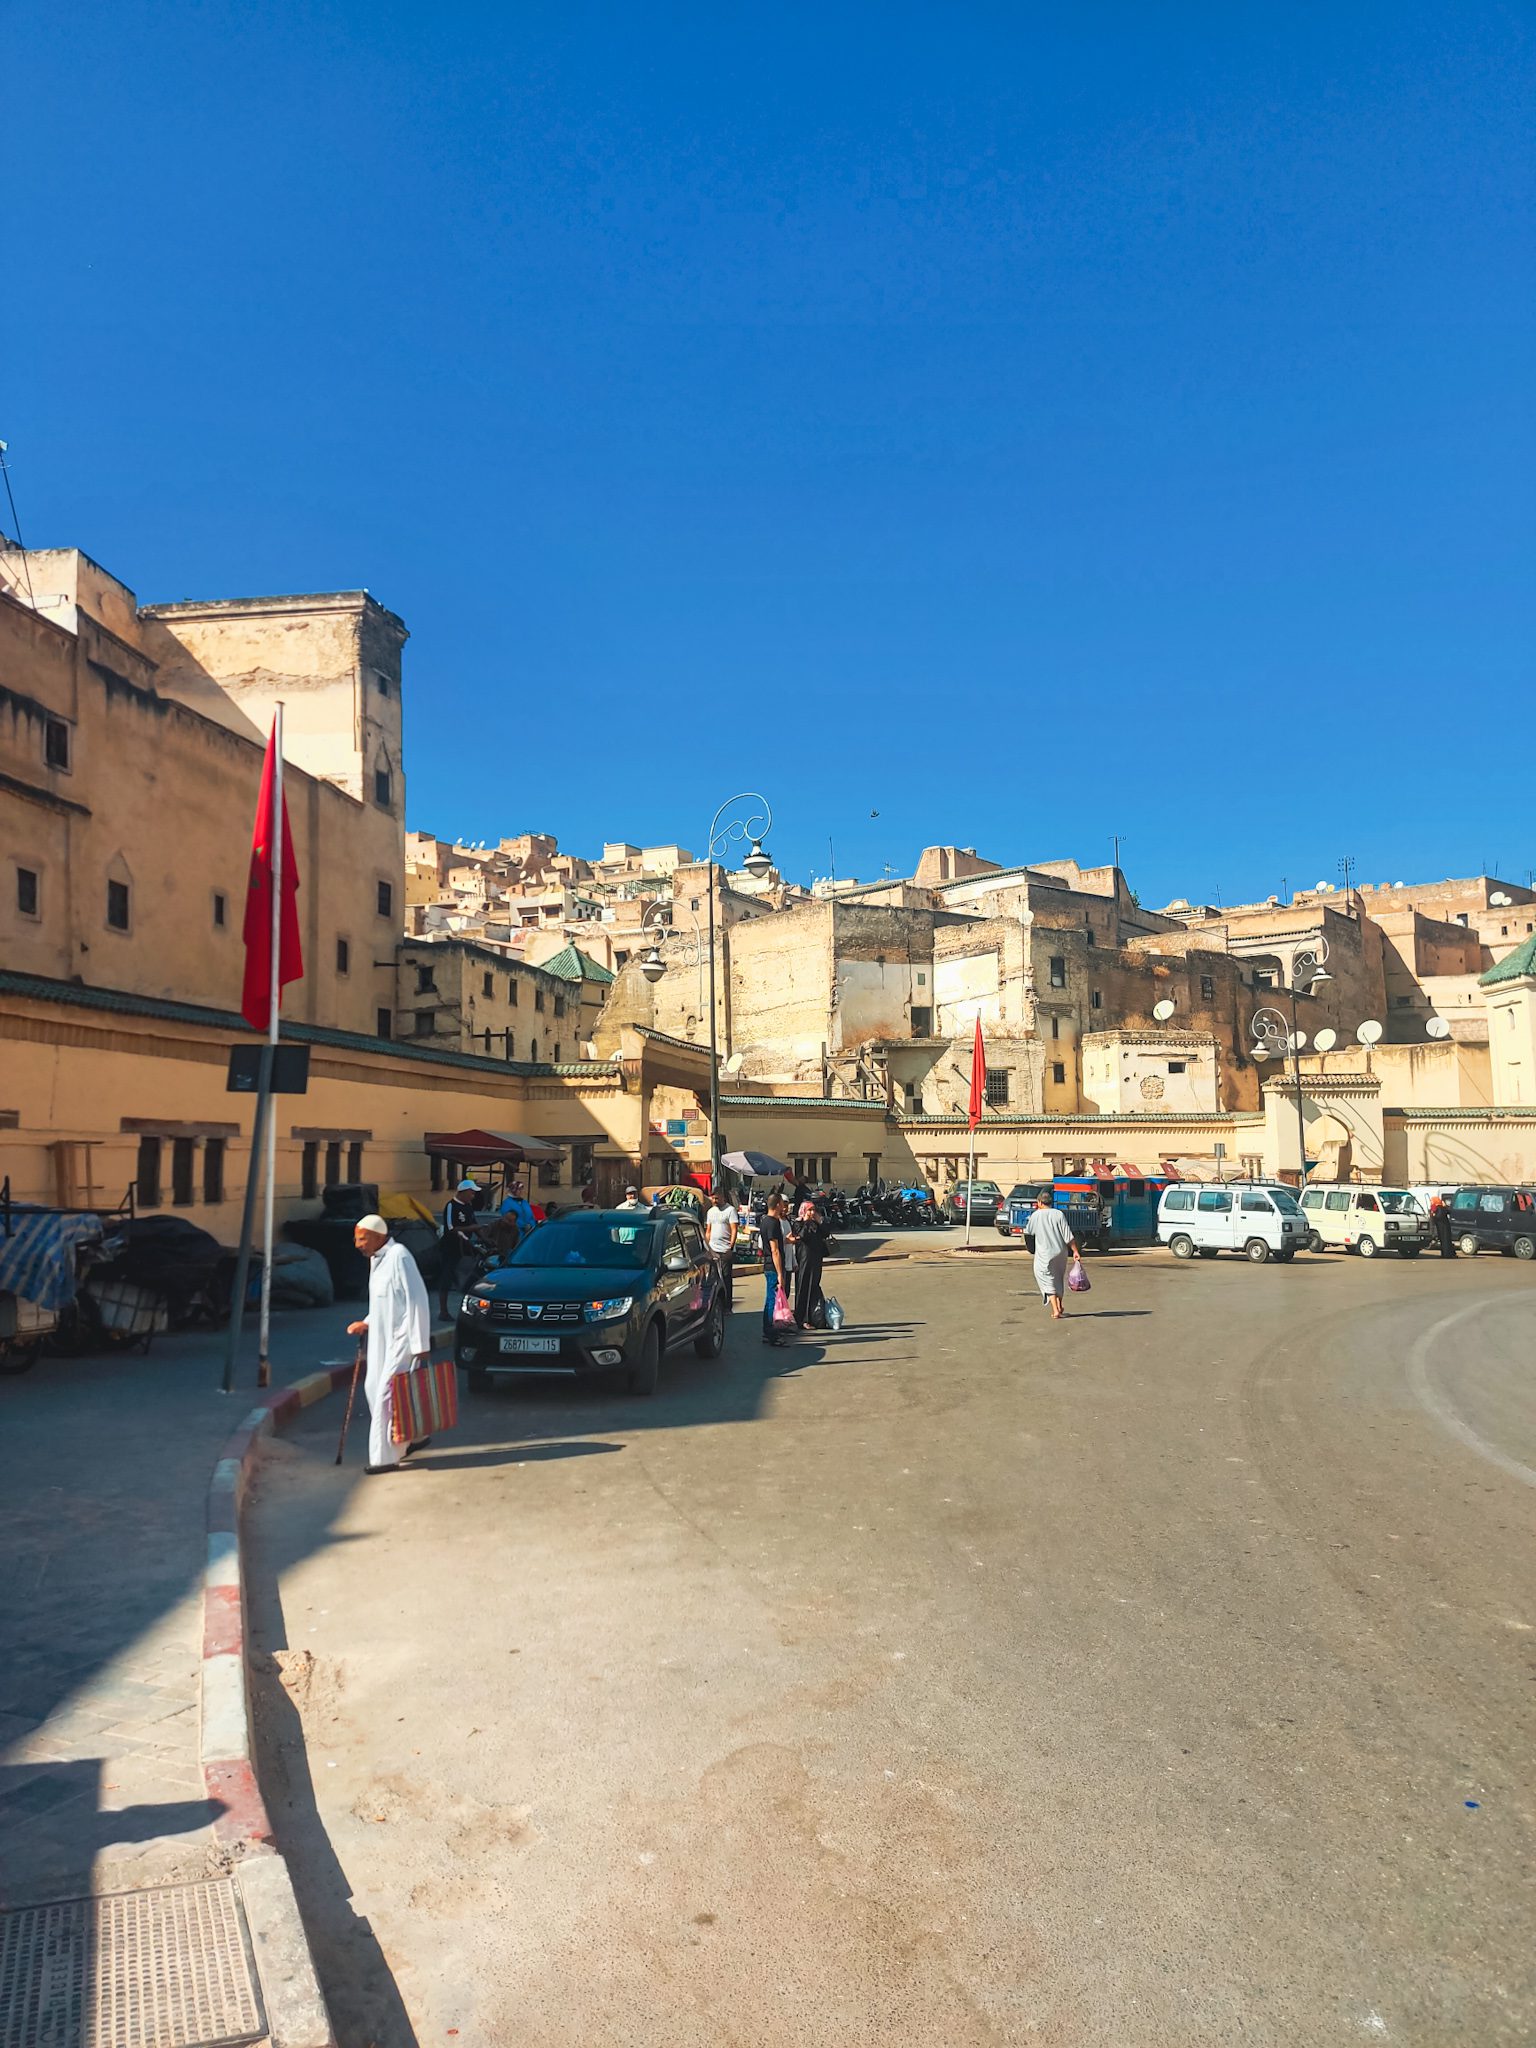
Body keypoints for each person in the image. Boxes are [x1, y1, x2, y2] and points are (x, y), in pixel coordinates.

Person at [346, 1217, 433, 1472]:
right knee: (373, 1386)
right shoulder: (377, 1260)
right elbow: (384, 1303)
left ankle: (384, 1458)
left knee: (386, 1393)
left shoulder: (399, 1256)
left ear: (378, 1236)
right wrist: (366, 1322)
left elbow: (417, 1299)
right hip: (381, 1338)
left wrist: (420, 1344)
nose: (357, 1245)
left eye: (362, 1239)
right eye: (356, 1239)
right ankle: (413, 1438)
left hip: (403, 1339)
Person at [1023, 1190, 1082, 1321]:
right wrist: (1076, 1251)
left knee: (1045, 1278)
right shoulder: (1058, 1214)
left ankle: (1055, 1310)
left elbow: (1028, 1231)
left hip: (1044, 1253)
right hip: (1061, 1252)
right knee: (1058, 1277)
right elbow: (1068, 1235)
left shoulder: (1036, 1215)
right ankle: (1060, 1305)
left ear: (1039, 1202)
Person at [437, 1178, 484, 1320]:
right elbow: (451, 1228)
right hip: (451, 1247)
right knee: (447, 1277)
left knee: (470, 1277)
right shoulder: (451, 1206)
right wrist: (472, 1228)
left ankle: (470, 1309)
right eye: (471, 1193)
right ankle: (443, 1311)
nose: (473, 1196)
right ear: (463, 1192)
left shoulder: (468, 1206)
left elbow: (474, 1224)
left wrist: (484, 1238)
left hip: (465, 1247)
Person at [759, 1192, 791, 1346]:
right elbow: (775, 1250)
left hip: (768, 1265)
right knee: (773, 1299)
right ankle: (772, 1333)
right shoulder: (772, 1222)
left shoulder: (765, 1221)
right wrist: (780, 1274)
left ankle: (767, 1331)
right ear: (778, 1204)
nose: (784, 1207)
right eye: (782, 1204)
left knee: (769, 1299)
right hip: (773, 1266)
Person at [791, 1198, 829, 1328]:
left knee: (814, 1286)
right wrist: (806, 1221)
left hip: (816, 1259)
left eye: (813, 1210)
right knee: (803, 1288)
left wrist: (820, 1222)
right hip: (804, 1260)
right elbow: (803, 1236)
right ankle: (802, 1318)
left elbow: (825, 1234)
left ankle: (815, 1317)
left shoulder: (816, 1223)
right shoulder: (798, 1223)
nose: (812, 1212)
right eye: (809, 1210)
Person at [705, 1182, 740, 1308]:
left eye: (716, 1198)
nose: (714, 1200)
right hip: (713, 1250)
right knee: (714, 1278)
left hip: (725, 1250)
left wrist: (731, 1247)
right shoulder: (710, 1212)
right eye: (713, 1198)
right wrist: (707, 1247)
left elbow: (734, 1229)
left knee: (725, 1278)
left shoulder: (730, 1210)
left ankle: (727, 1305)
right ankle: (715, 1305)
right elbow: (708, 1230)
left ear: (723, 1197)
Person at [1430, 1193, 1455, 1258]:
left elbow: (1439, 1216)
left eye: (1432, 1200)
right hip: (1442, 1227)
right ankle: (1445, 1253)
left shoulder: (1439, 1207)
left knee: (1445, 1241)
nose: (1431, 1202)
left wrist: (1434, 1216)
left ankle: (1447, 1254)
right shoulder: (1437, 1207)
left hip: (1443, 1227)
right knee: (1444, 1241)